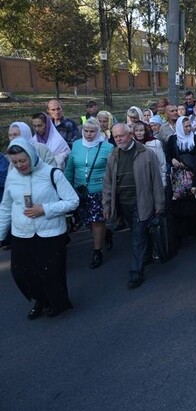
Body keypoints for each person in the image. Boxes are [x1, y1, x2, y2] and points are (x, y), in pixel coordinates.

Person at [0, 139, 79, 319]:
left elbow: (73, 201)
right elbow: (5, 206)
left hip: (50, 232)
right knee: (20, 272)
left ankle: (55, 302)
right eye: (15, 162)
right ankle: (40, 299)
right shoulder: (12, 176)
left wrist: (45, 209)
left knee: (50, 272)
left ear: (32, 155)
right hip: (21, 232)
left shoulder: (52, 173)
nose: (19, 165)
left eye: (23, 161)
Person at [102, 123, 165, 289]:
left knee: (138, 237)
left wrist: (159, 203)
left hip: (141, 202)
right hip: (123, 204)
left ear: (130, 134)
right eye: (115, 137)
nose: (118, 139)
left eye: (121, 135)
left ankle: (136, 273)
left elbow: (156, 180)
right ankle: (148, 254)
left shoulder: (146, 153)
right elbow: (108, 183)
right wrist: (107, 205)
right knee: (138, 232)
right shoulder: (113, 156)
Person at [64, 118, 114, 268]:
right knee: (88, 222)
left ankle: (97, 251)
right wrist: (65, 187)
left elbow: (111, 171)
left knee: (97, 221)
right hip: (80, 192)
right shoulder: (77, 145)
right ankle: (107, 234)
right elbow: (70, 168)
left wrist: (110, 191)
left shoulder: (107, 147)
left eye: (92, 131)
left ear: (98, 131)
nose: (89, 134)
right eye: (86, 131)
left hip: (99, 191)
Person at [165, 116, 196, 245]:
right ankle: (180, 233)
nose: (188, 128)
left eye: (189, 126)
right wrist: (173, 160)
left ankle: (193, 231)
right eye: (185, 126)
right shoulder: (173, 140)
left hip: (193, 175)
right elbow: (168, 155)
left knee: (193, 201)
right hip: (179, 178)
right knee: (180, 202)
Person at [132, 121, 166, 186]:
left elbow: (162, 163)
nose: (139, 133)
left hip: (155, 178)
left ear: (145, 131)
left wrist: (163, 181)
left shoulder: (156, 143)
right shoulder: (132, 145)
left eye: (141, 130)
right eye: (136, 131)